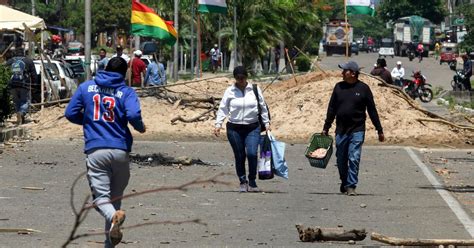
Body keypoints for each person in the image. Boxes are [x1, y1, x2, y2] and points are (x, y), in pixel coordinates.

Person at [65, 57, 146, 247]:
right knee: (114, 199)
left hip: (96, 149)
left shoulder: (86, 87)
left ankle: (114, 218)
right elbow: (133, 114)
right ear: (124, 72)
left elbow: (70, 112)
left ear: (105, 68)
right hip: (120, 150)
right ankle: (109, 244)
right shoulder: (126, 91)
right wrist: (140, 127)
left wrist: (88, 121)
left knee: (101, 199)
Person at [322, 61, 385, 196]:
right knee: (341, 158)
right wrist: (326, 127)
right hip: (341, 130)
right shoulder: (338, 87)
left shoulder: (364, 89)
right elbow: (331, 108)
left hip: (357, 129)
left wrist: (379, 129)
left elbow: (372, 110)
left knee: (354, 157)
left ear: (353, 73)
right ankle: (344, 181)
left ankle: (351, 186)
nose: (342, 73)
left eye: (345, 71)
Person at [214, 66, 271, 193]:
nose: (240, 80)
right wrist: (218, 124)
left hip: (252, 127)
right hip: (234, 129)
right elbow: (223, 108)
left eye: (243, 77)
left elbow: (262, 106)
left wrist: (266, 123)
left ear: (246, 77)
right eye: (238, 78)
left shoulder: (255, 89)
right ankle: (242, 181)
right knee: (239, 155)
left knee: (251, 153)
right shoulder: (230, 91)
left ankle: (252, 181)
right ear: (234, 78)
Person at [6, 47, 37, 125]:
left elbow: (5, 72)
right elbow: (34, 74)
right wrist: (35, 84)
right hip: (24, 84)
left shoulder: (10, 61)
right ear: (24, 53)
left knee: (16, 101)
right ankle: (22, 113)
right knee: (25, 100)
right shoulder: (28, 61)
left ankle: (19, 116)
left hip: (12, 85)